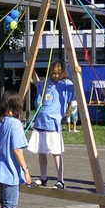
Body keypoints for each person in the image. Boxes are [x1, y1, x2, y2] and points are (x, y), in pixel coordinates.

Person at [28, 60, 76, 190]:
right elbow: (37, 83)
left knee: (56, 152)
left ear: (63, 73)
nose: (55, 75)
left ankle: (60, 180)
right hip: (40, 123)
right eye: (53, 73)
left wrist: (78, 73)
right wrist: (31, 70)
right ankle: (43, 178)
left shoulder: (66, 84)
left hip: (53, 125)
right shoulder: (46, 84)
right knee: (41, 152)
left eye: (58, 73)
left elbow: (76, 88)